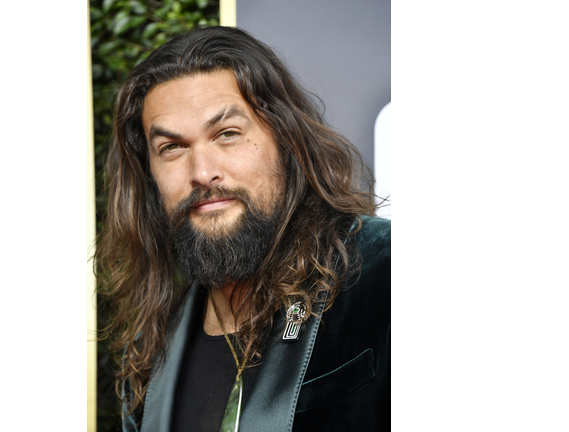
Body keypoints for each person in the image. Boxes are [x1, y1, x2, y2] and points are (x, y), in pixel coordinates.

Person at [95, 26, 390, 432]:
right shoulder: (151, 348)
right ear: (149, 176)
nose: (202, 172)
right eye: (172, 148)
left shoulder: (385, 270)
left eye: (227, 134)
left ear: (285, 138)